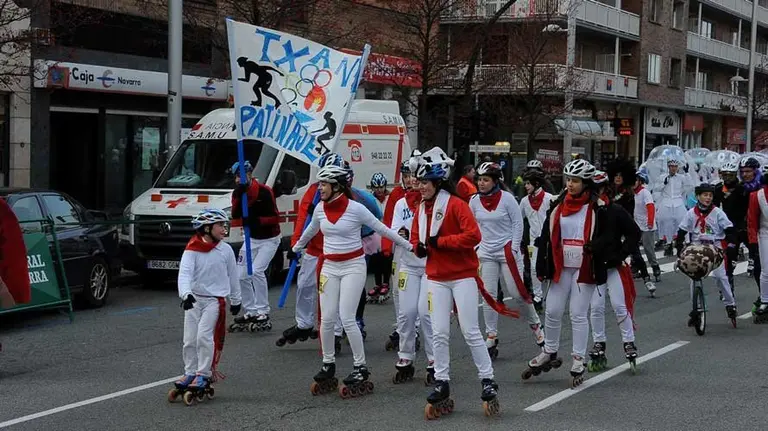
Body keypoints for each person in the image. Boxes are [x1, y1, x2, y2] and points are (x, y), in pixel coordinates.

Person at [292, 164, 412, 397]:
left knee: (347, 318)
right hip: (329, 266)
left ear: (337, 187)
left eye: (324, 185)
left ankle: (360, 367)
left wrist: (409, 245)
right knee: (326, 319)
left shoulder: (356, 208)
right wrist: (296, 247)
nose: (320, 189)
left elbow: (382, 228)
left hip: (353, 267)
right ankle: (328, 364)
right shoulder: (319, 208)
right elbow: (311, 231)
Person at [411, 147, 514, 417]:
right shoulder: (421, 208)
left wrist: (440, 243)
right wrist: (417, 247)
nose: (420, 187)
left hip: (462, 277)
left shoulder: (456, 205)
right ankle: (442, 381)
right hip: (436, 278)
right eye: (419, 182)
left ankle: (488, 380)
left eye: (424, 183)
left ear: (437, 183)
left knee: (470, 331)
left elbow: (473, 236)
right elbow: (416, 236)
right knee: (439, 332)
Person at [523, 159, 634, 388]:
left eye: (575, 180)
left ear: (586, 183)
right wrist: (542, 264)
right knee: (552, 310)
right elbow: (547, 233)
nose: (570, 184)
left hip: (585, 267)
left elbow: (623, 234)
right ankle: (550, 351)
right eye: (568, 180)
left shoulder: (600, 207)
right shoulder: (559, 204)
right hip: (561, 265)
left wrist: (608, 252)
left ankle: (578, 359)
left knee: (577, 313)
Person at [470, 162, 544, 361]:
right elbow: (471, 226)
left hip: (507, 251)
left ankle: (536, 325)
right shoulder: (474, 201)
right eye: (479, 179)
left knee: (517, 293)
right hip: (486, 252)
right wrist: (476, 248)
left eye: (486, 180)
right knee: (489, 295)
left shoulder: (507, 199)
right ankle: (491, 335)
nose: (481, 183)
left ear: (495, 181)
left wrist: (513, 247)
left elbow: (518, 223)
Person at [171, 209, 242, 400]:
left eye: (224, 225)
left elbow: (233, 276)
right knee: (189, 338)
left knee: (204, 336)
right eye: (220, 225)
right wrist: (185, 295)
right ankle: (190, 371)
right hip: (194, 299)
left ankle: (203, 374)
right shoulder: (192, 248)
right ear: (207, 228)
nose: (224, 228)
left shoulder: (225, 250)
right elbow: (184, 274)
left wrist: (236, 300)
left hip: (214, 301)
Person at [282, 153, 346, 350]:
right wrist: (295, 246)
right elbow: (302, 220)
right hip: (314, 248)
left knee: (332, 292)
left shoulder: (348, 196)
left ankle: (336, 330)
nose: (323, 184)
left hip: (336, 252)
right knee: (304, 285)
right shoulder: (312, 192)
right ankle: (304, 322)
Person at [587, 170, 641, 373]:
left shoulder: (615, 210)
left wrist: (621, 254)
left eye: (598, 190)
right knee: (596, 307)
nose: (595, 194)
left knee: (619, 304)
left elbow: (634, 233)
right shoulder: (584, 211)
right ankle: (599, 342)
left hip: (613, 265)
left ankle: (629, 341)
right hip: (592, 266)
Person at [389, 168, 435, 384]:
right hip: (408, 264)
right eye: (409, 177)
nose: (413, 181)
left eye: (419, 178)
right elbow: (396, 230)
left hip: (430, 266)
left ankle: (434, 360)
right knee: (406, 313)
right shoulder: (400, 204)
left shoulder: (435, 203)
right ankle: (406, 356)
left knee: (426, 314)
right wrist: (410, 241)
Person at [228, 160, 281, 333]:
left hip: (269, 239)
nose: (237, 180)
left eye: (240, 176)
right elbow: (235, 215)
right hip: (251, 239)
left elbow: (275, 217)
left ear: (249, 174)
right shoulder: (238, 192)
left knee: (257, 270)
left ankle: (263, 311)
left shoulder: (265, 191)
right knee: (241, 274)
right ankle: (250, 310)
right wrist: (239, 196)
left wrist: (258, 221)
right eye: (235, 177)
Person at [675, 183, 738, 326]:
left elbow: (730, 229)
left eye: (710, 195)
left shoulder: (718, 213)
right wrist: (679, 246)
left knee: (721, 277)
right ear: (698, 196)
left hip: (714, 247)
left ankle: (730, 304)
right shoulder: (691, 213)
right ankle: (695, 309)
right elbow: (682, 231)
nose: (708, 198)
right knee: (693, 277)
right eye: (705, 195)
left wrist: (731, 244)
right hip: (696, 247)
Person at [520, 168, 554, 314]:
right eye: (525, 183)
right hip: (533, 242)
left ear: (536, 183)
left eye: (528, 183)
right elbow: (518, 220)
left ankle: (548, 297)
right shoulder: (524, 202)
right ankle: (538, 298)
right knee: (534, 268)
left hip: (549, 241)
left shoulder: (549, 198)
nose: (525, 186)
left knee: (549, 270)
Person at [654, 158, 693, 257]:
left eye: (675, 166)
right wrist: (664, 183)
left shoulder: (681, 177)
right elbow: (656, 188)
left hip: (678, 201)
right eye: (671, 166)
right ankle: (668, 244)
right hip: (666, 201)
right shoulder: (663, 177)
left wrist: (687, 173)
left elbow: (689, 186)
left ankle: (686, 242)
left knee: (683, 221)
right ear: (668, 167)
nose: (673, 168)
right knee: (667, 223)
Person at [747, 164, 768, 323]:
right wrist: (753, 242)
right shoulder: (757, 196)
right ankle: (765, 300)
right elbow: (752, 221)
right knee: (766, 269)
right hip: (765, 233)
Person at [633, 169, 660, 291]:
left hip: (647, 226)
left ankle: (655, 267)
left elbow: (650, 207)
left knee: (648, 248)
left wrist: (650, 222)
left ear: (640, 181)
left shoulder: (645, 193)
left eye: (636, 180)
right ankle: (635, 267)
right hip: (636, 225)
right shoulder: (631, 193)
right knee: (633, 247)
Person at [368, 172, 392, 302]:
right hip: (375, 232)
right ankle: (377, 284)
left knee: (386, 257)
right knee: (376, 258)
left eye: (381, 187)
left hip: (387, 230)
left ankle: (386, 283)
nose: (379, 190)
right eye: (376, 188)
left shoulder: (390, 197)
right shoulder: (370, 198)